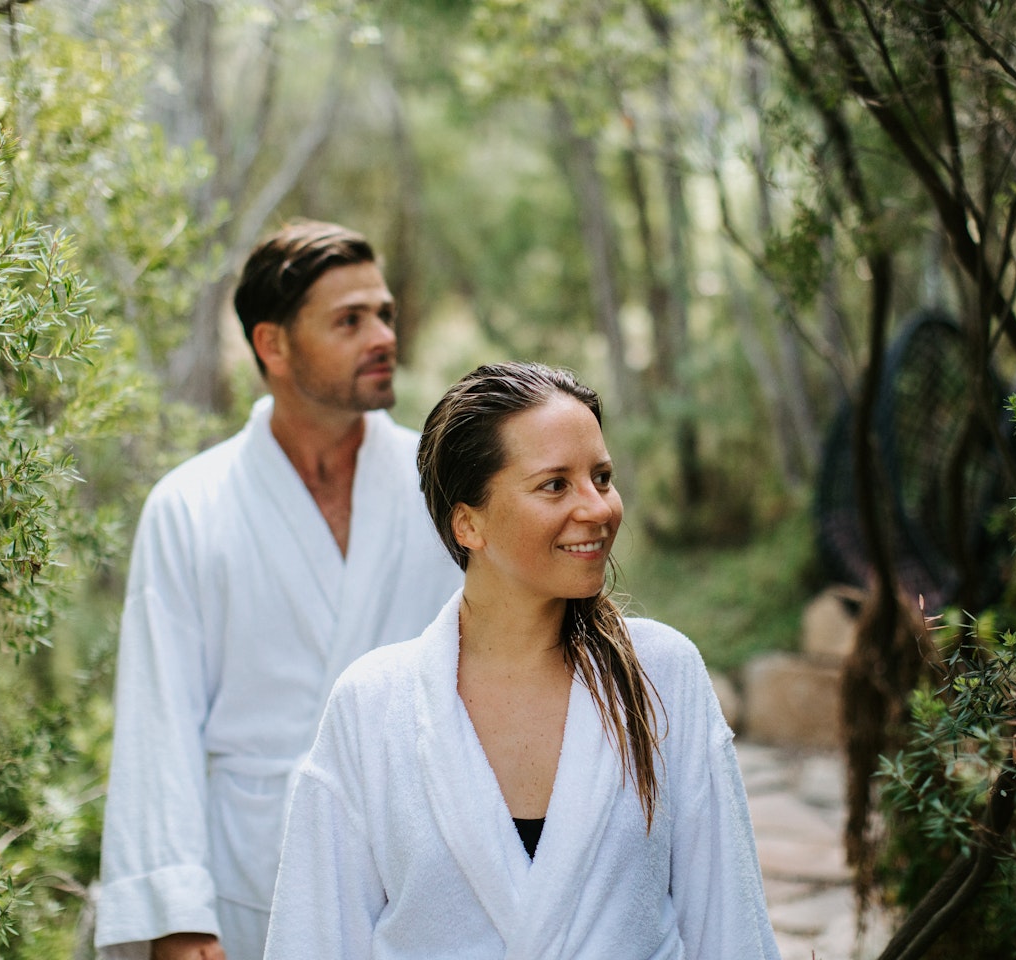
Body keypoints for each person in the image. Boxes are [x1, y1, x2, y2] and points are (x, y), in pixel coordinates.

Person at [264, 361, 782, 960]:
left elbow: (728, 924)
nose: (598, 508)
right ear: (468, 522)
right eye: (555, 485)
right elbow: (315, 937)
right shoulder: (373, 706)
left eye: (603, 477)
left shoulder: (663, 675)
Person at [93, 221, 462, 960]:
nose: (383, 335)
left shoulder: (446, 489)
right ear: (274, 345)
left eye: (384, 313)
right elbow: (158, 720)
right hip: (252, 875)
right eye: (350, 320)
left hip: (427, 869)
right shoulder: (190, 504)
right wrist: (179, 912)